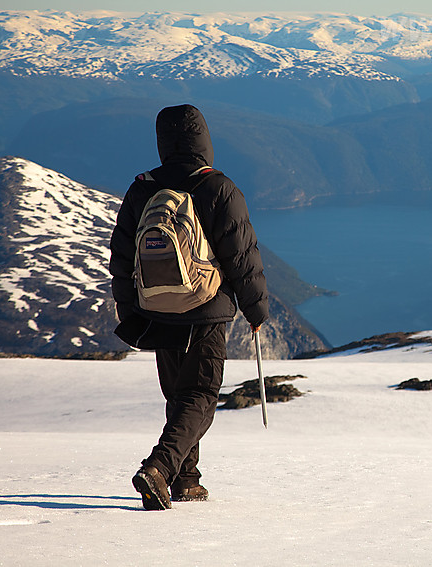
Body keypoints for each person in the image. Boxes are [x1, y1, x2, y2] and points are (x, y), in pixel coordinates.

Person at [109, 104, 269, 510]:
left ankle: (186, 480)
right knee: (199, 395)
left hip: (157, 307)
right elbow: (241, 256)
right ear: (204, 140)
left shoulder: (143, 187)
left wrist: (130, 311)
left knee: (179, 396)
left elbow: (122, 255)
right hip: (205, 307)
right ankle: (160, 469)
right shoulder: (217, 188)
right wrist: (256, 310)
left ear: (163, 142)